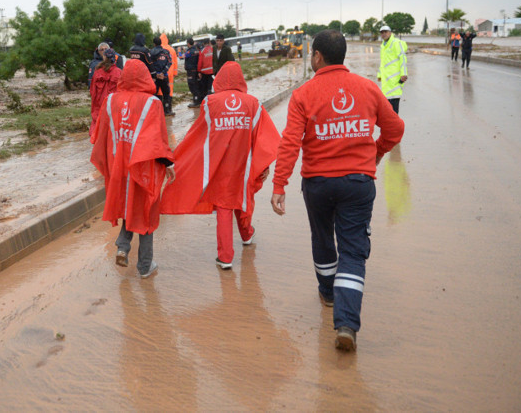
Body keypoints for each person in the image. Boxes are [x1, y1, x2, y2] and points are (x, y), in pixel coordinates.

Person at [270, 30, 405, 352]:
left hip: (317, 184)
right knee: (354, 251)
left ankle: (328, 293)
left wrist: (279, 185)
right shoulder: (368, 89)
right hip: (358, 184)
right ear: (342, 55)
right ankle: (346, 324)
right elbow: (395, 128)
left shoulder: (304, 94)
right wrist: (376, 152)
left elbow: (290, 142)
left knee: (322, 237)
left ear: (317, 56)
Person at [161, 61, 280, 269]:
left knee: (224, 206)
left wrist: (178, 157)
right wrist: (264, 165)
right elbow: (264, 137)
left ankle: (225, 257)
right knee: (244, 201)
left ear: (220, 79)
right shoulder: (253, 104)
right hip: (244, 163)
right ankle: (246, 235)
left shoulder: (209, 103)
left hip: (220, 165)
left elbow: (197, 135)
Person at [90, 59, 176, 278]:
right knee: (145, 210)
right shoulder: (152, 103)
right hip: (144, 167)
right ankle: (145, 266)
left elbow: (100, 136)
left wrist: (108, 165)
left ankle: (122, 245)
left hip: (119, 168)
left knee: (129, 205)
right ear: (145, 76)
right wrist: (168, 163)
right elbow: (158, 140)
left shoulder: (110, 101)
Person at [89, 48, 122, 140]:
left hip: (100, 103)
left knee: (99, 127)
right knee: (113, 129)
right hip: (114, 104)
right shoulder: (118, 72)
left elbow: (92, 90)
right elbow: (122, 90)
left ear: (104, 57)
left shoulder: (97, 71)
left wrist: (94, 102)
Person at [377, 25, 407, 114]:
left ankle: (395, 126)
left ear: (390, 33)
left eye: (385, 32)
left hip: (395, 80)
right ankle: (391, 126)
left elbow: (403, 58)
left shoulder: (396, 43)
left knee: (394, 108)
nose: (384, 34)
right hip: (386, 81)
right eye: (382, 32)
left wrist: (404, 74)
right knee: (387, 108)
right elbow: (383, 62)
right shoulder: (383, 46)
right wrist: (379, 75)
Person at [150, 36, 174, 116]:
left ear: (154, 44)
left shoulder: (150, 52)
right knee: (166, 94)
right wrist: (163, 73)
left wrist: (156, 74)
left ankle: (154, 112)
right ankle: (167, 111)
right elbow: (170, 62)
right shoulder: (166, 52)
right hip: (164, 77)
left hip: (154, 78)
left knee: (153, 95)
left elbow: (149, 64)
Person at [160, 34, 179, 115]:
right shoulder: (172, 50)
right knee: (169, 91)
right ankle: (168, 109)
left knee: (160, 91)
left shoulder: (158, 49)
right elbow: (175, 62)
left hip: (160, 74)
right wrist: (175, 73)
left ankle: (161, 109)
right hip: (170, 73)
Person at [183, 37, 201, 108]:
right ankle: (197, 100)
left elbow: (182, 56)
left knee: (192, 86)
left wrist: (181, 51)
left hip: (191, 71)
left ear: (188, 43)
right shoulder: (197, 50)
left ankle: (196, 101)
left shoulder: (189, 52)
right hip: (197, 70)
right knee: (197, 85)